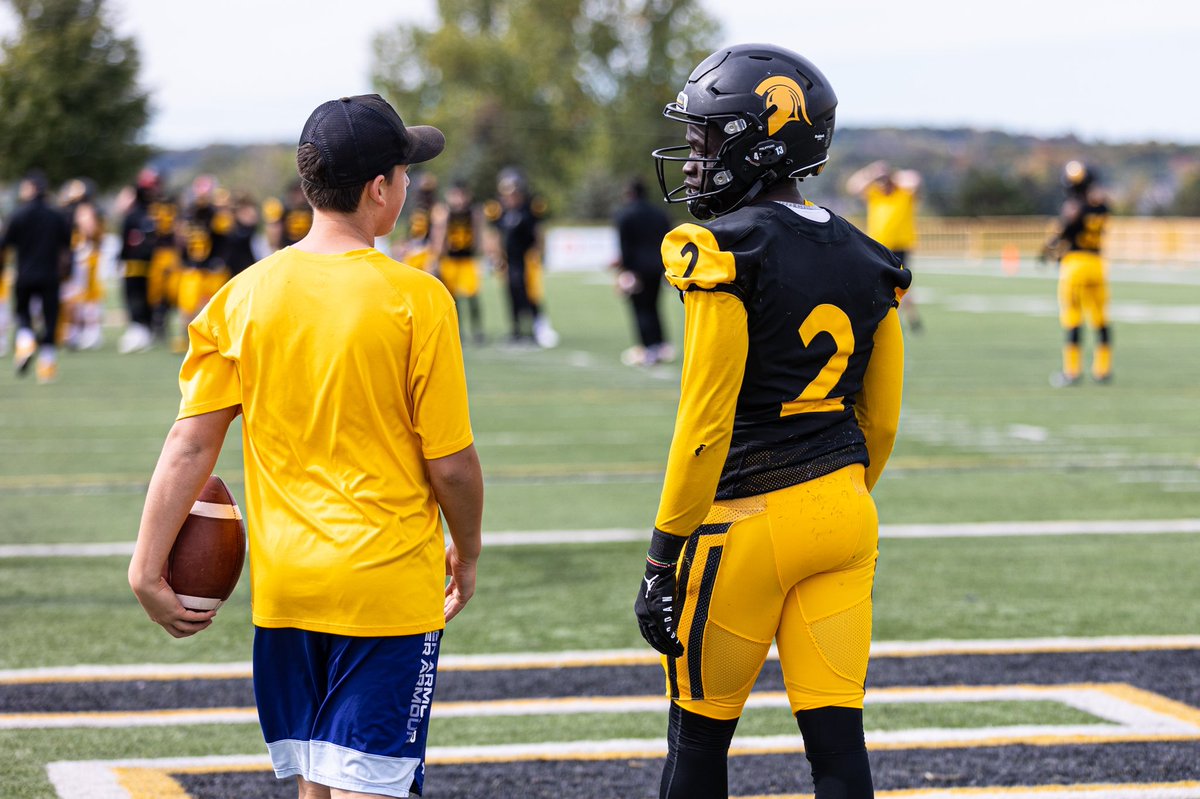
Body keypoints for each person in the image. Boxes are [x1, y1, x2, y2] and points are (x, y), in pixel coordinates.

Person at [128, 94, 484, 799]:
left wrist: (145, 568)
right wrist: (468, 551)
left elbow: (190, 444)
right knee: (367, 788)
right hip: (383, 586)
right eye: (404, 173)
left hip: (286, 592)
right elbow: (451, 463)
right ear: (380, 188)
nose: (409, 186)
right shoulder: (418, 298)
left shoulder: (241, 296)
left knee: (315, 787)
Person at [636, 44, 910, 799]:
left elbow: (704, 421)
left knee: (697, 741)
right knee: (837, 748)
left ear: (763, 138)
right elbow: (880, 419)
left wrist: (663, 556)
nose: (693, 161)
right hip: (845, 512)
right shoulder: (872, 257)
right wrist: (834, 485)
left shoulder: (721, 249)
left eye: (707, 140)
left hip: (744, 523)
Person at [1042, 160, 1111, 386]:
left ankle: (1072, 372)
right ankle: (1103, 370)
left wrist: (1048, 251)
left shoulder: (1074, 207)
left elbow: (1061, 235)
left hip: (1075, 265)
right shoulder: (1101, 206)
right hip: (1097, 264)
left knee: (1073, 320)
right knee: (1100, 321)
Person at [0, 171, 73, 383]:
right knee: (50, 318)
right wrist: (67, 274)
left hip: (25, 274)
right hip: (51, 275)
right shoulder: (57, 215)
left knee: (23, 313)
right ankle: (47, 366)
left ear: (30, 188)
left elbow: (4, 246)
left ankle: (26, 341)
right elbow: (67, 250)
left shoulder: (19, 214)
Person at [845, 160, 923, 331]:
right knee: (875, 283)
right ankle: (880, 317)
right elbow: (852, 187)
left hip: (899, 247)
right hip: (878, 246)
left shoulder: (903, 193)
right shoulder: (875, 193)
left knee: (902, 285)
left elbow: (914, 179)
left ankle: (912, 317)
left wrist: (891, 175)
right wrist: (871, 172)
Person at [492, 169, 558, 347]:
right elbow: (496, 234)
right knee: (511, 293)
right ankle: (516, 330)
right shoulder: (501, 210)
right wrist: (497, 256)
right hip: (509, 260)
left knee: (531, 294)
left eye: (512, 191)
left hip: (527, 258)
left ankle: (538, 327)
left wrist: (540, 253)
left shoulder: (530, 208)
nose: (508, 196)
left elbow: (538, 232)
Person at [612, 177, 674, 366]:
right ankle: (661, 345)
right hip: (658, 266)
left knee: (641, 309)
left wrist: (625, 271)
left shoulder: (625, 214)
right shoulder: (659, 213)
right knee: (654, 306)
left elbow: (625, 246)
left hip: (636, 269)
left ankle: (648, 349)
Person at [430, 180, 485, 343]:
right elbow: (439, 236)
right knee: (452, 298)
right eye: (455, 195)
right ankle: (458, 329)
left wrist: (481, 252)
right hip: (451, 260)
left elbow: (479, 233)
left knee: (472, 294)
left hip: (467, 259)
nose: (458, 199)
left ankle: (478, 330)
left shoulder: (473, 212)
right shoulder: (445, 213)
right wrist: (436, 257)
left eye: (461, 195)